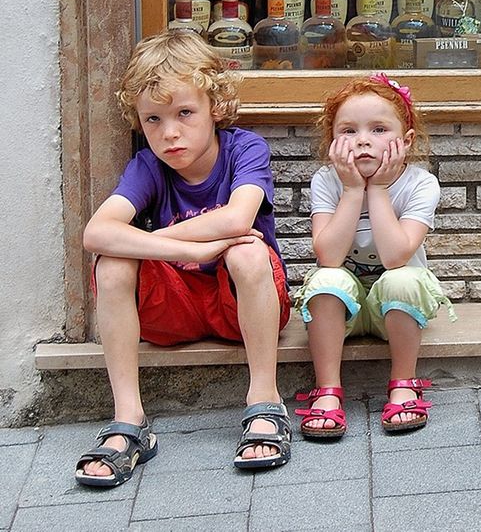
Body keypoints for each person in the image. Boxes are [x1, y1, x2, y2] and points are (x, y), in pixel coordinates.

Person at [74, 31, 292, 488]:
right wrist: (188, 250)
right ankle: (130, 422)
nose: (169, 133)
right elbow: (97, 233)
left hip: (241, 307)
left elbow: (237, 218)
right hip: (175, 311)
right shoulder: (147, 167)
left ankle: (265, 402)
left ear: (215, 106)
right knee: (111, 262)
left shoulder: (244, 149)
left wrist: (155, 238)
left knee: (249, 252)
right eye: (152, 119)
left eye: (184, 113)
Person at [292, 73, 455, 439]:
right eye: (348, 131)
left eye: (379, 129)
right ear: (333, 141)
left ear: (406, 141)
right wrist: (352, 191)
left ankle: (402, 383)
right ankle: (328, 391)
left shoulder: (420, 184)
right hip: (344, 313)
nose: (363, 140)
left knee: (403, 278)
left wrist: (378, 188)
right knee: (324, 281)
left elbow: (397, 256)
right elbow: (329, 257)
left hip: (394, 311)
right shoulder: (327, 181)